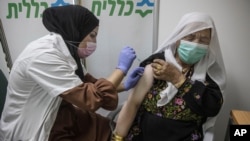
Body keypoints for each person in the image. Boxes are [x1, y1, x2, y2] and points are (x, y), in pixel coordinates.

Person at [0, 5, 144, 141]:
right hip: (32, 129)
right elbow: (91, 99)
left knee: (105, 128)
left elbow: (88, 85)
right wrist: (121, 69)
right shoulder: (43, 56)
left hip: (58, 114)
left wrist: (125, 85)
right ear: (76, 29)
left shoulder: (67, 52)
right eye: (92, 35)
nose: (95, 42)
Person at [112, 12, 227, 141]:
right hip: (143, 135)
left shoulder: (210, 73)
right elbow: (133, 104)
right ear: (178, 38)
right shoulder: (157, 64)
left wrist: (178, 79)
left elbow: (212, 108)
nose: (195, 44)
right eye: (190, 37)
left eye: (203, 40)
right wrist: (118, 138)